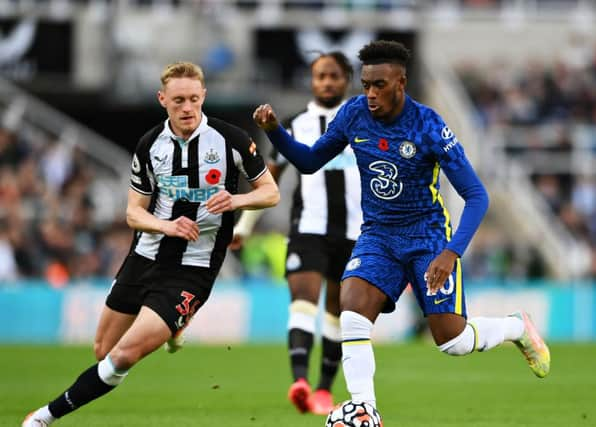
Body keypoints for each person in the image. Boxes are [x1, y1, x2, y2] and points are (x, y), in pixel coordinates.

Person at [253, 40, 550, 415]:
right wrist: (275, 131)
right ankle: (364, 409)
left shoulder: (428, 125)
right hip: (377, 235)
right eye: (366, 85)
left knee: (451, 342)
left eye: (380, 85)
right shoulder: (353, 114)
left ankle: (516, 328)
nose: (371, 94)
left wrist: (450, 251)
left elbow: (477, 196)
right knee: (352, 312)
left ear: (401, 82)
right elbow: (311, 161)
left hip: (427, 238)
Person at [22, 61, 280, 427]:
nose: (187, 108)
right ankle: (174, 326)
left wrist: (235, 201)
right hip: (145, 256)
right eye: (178, 101)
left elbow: (271, 192)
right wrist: (167, 226)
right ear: (163, 100)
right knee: (103, 351)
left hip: (195, 268)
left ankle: (44, 417)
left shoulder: (231, 140)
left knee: (124, 355)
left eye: (193, 99)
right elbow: (133, 214)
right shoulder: (150, 145)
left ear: (203, 96)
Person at [231, 51, 361, 415]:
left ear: (347, 79)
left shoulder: (365, 124)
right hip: (308, 229)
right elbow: (269, 181)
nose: (327, 82)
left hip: (355, 234)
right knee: (303, 301)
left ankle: (323, 390)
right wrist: (244, 226)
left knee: (340, 312)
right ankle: (300, 382)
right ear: (312, 80)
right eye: (321, 76)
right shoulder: (294, 124)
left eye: (334, 75)